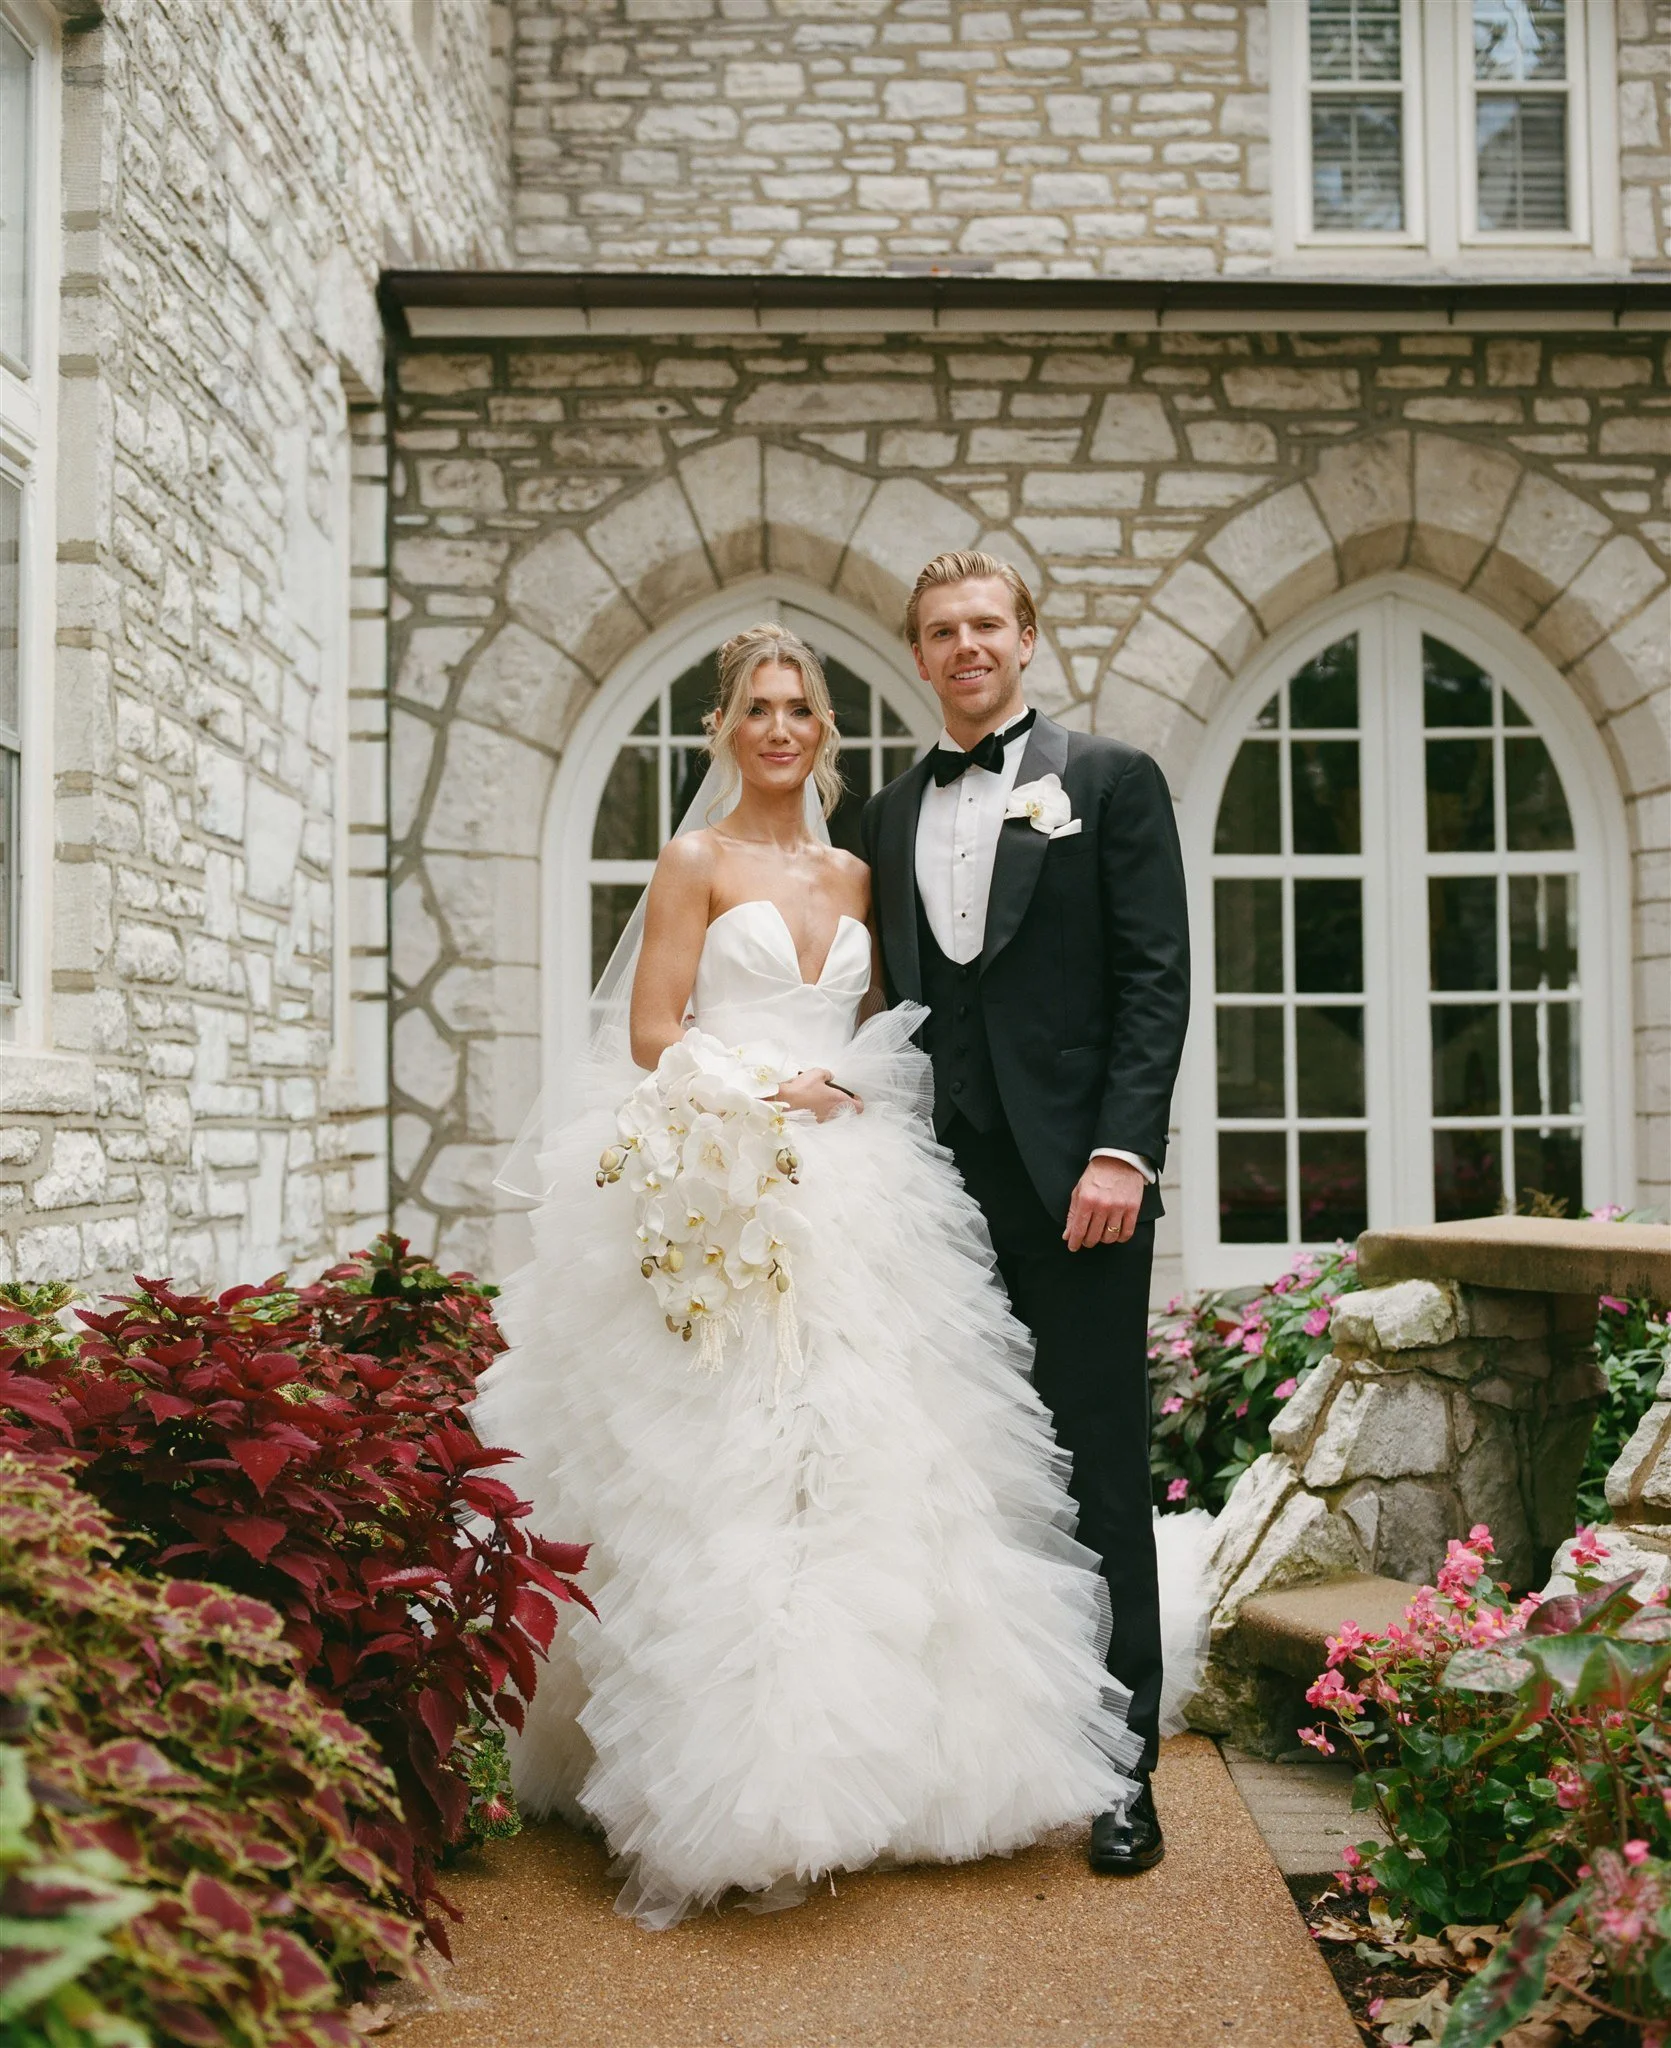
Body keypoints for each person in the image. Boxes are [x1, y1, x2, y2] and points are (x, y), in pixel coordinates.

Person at [475, 621, 1202, 1931]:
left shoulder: (861, 867)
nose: (777, 726)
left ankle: (922, 1766)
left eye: (797, 705)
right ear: (724, 728)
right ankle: (729, 1779)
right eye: (755, 706)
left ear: (823, 726)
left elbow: (926, 1023)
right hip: (725, 1180)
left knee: (886, 1472)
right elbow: (653, 1033)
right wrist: (760, 1092)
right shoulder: (694, 858)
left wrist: (1069, 1136)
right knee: (726, 1473)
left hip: (866, 1195)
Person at [860, 552, 1192, 1876]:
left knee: (1098, 1466)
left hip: (1078, 1190)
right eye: (940, 632)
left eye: (984, 625)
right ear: (920, 654)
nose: (963, 646)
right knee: (958, 1474)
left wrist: (1121, 1151)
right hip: (932, 1191)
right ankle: (974, 1759)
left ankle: (1124, 1771)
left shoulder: (1107, 782)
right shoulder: (885, 814)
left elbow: (1155, 979)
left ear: (1027, 639)